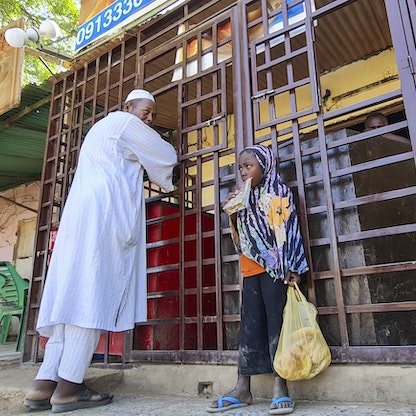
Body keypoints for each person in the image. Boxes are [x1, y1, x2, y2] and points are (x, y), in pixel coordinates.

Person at [24, 89, 178, 413]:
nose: (148, 119)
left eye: (152, 115)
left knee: (70, 294)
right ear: (128, 107)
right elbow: (165, 156)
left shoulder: (100, 130)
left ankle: (43, 385)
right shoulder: (124, 122)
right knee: (91, 295)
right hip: (104, 214)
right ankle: (68, 390)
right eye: (146, 111)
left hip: (79, 215)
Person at [207, 145, 309, 415]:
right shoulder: (243, 196)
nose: (243, 171)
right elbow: (241, 237)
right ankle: (243, 388)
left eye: (248, 166)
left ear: (265, 165)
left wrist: (294, 266)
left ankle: (281, 387)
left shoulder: (279, 192)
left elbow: (290, 231)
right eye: (240, 167)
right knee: (249, 327)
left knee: (278, 324)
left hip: (277, 270)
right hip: (250, 268)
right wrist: (231, 211)